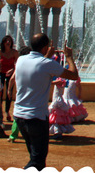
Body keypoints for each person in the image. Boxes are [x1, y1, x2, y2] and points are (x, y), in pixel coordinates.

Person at [13, 34, 78, 170]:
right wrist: (69, 57)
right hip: (36, 117)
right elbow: (73, 75)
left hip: (19, 116)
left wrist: (47, 55)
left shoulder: (21, 60)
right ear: (45, 48)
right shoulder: (47, 64)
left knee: (34, 155)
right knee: (38, 161)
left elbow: (38, 66)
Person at [0, 35, 19, 122]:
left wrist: (13, 69)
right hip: (1, 74)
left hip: (11, 74)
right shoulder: (0, 52)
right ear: (3, 43)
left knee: (9, 93)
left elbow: (18, 64)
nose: (8, 42)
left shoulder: (15, 52)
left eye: (9, 41)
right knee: (0, 92)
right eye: (6, 41)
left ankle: (7, 112)